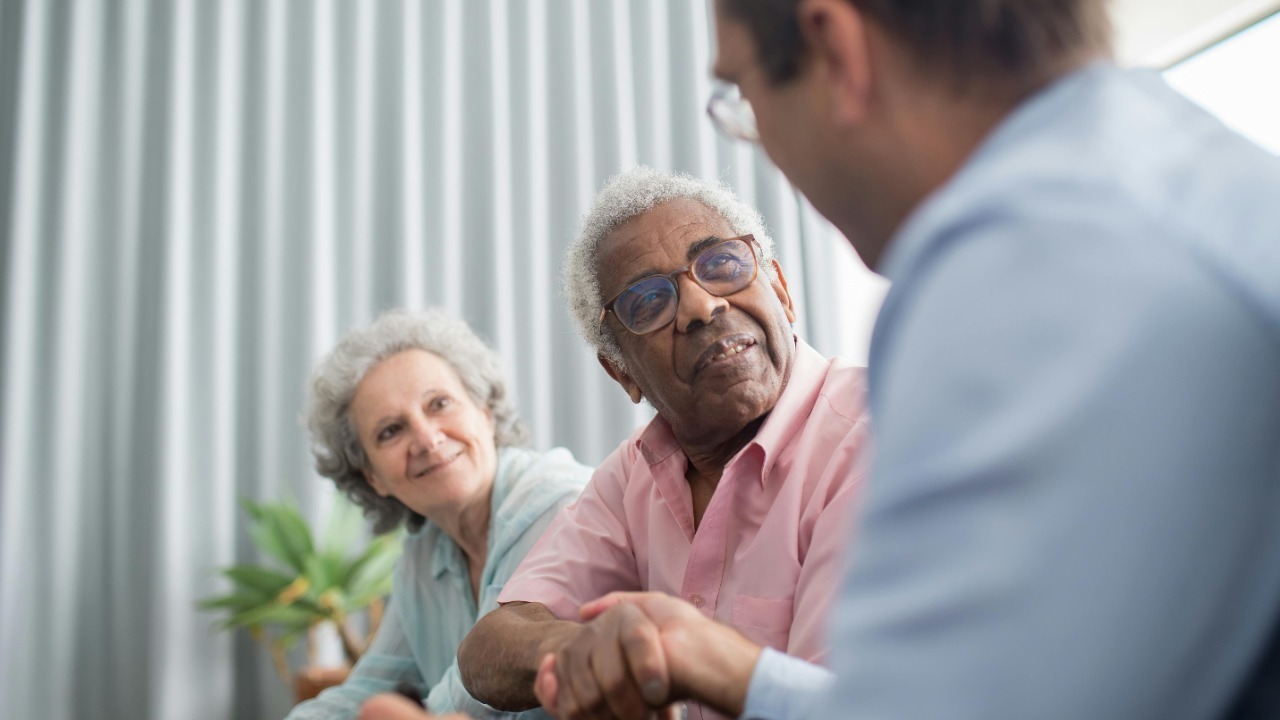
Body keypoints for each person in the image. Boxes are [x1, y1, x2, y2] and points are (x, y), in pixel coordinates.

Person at [595, 1, 1280, 719]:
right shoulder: (1169, 172)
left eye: (744, 97)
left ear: (834, 50)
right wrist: (740, 673)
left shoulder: (1031, 264)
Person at [453, 166, 871, 720]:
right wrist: (578, 650)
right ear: (620, 371)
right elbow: (487, 649)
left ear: (782, 291)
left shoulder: (872, 437)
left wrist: (684, 658)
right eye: (649, 301)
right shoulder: (634, 473)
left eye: (722, 264)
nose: (702, 307)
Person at [286, 308, 593, 720]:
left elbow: (479, 695)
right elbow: (366, 690)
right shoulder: (422, 554)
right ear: (372, 476)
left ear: (484, 414)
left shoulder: (557, 503)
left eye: (439, 403)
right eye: (391, 430)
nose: (427, 440)